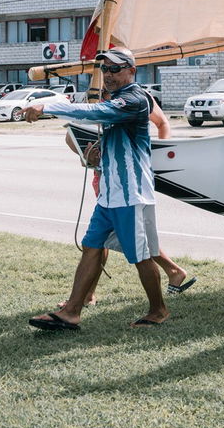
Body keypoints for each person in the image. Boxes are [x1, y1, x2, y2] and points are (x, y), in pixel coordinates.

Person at [22, 47, 171, 330]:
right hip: (109, 194)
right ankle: (72, 312)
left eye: (115, 68)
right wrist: (94, 155)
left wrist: (46, 105)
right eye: (104, 69)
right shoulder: (116, 99)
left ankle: (159, 310)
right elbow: (114, 140)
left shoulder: (136, 99)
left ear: (131, 71)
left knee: (141, 256)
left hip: (131, 195)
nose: (108, 74)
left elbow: (96, 111)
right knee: (91, 247)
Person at [78, 90, 196, 301]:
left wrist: (153, 160)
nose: (106, 73)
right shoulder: (92, 98)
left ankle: (169, 282)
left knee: (129, 237)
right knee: (110, 238)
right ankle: (87, 295)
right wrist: (87, 157)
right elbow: (74, 140)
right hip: (105, 180)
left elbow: (162, 124)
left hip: (130, 182)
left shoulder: (138, 97)